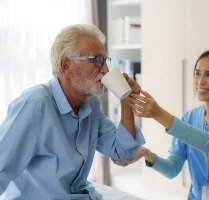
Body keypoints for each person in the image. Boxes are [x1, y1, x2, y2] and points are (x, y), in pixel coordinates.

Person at [0, 24, 145, 199]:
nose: (106, 70)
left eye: (106, 61)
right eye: (96, 60)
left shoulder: (91, 104)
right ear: (66, 65)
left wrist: (126, 100)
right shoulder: (34, 105)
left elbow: (123, 153)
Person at [118, 50, 209, 199]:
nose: (200, 81)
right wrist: (147, 154)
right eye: (197, 73)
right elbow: (172, 169)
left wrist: (158, 113)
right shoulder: (189, 118)